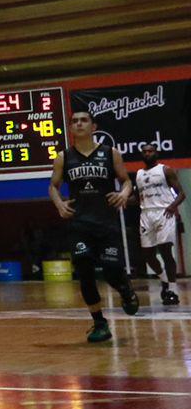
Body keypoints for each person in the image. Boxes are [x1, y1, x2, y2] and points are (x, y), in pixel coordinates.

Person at [51, 110, 140, 342]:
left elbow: (127, 181)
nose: (79, 124)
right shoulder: (63, 157)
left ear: (93, 126)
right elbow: (53, 186)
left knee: (111, 271)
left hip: (106, 223)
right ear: (71, 128)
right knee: (85, 272)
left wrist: (124, 193)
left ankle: (125, 289)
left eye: (83, 120)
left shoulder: (110, 153)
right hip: (80, 224)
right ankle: (99, 323)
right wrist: (59, 203)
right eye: (74, 121)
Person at [134, 143, 183, 304]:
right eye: (144, 152)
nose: (147, 153)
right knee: (147, 254)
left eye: (150, 151)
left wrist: (172, 206)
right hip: (146, 214)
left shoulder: (165, 170)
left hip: (164, 212)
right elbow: (136, 197)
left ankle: (173, 291)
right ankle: (164, 280)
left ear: (156, 153)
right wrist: (121, 200)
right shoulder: (139, 174)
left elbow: (181, 194)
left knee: (165, 251)